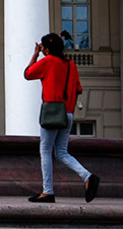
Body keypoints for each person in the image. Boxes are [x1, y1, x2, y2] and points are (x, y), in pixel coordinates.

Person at [23, 33, 100, 203]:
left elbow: (28, 73)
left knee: (45, 150)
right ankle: (87, 176)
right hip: (68, 113)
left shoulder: (48, 61)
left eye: (43, 47)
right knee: (62, 152)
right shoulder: (71, 64)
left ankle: (47, 191)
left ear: (48, 49)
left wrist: (36, 54)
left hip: (52, 112)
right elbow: (78, 89)